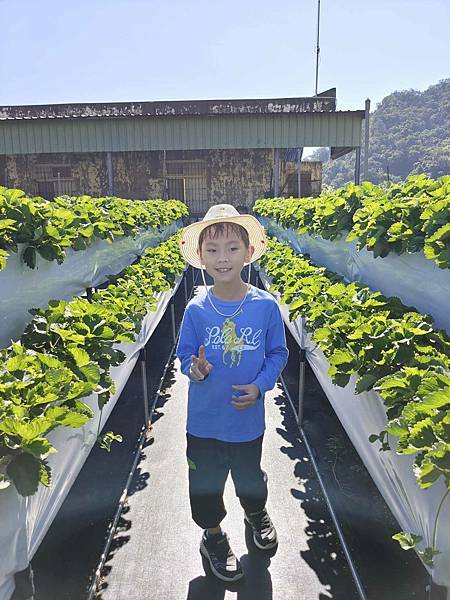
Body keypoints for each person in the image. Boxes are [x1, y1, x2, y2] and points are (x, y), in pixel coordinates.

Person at [176, 204, 289, 583]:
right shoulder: (196, 309)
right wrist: (195, 369)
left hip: (246, 421)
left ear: (249, 252)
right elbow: (184, 357)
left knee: (250, 478)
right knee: (205, 484)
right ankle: (213, 537)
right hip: (204, 423)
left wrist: (260, 386)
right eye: (212, 250)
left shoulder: (265, 306)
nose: (222, 258)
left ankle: (256, 514)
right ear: (201, 257)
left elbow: (278, 352)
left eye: (232, 248)